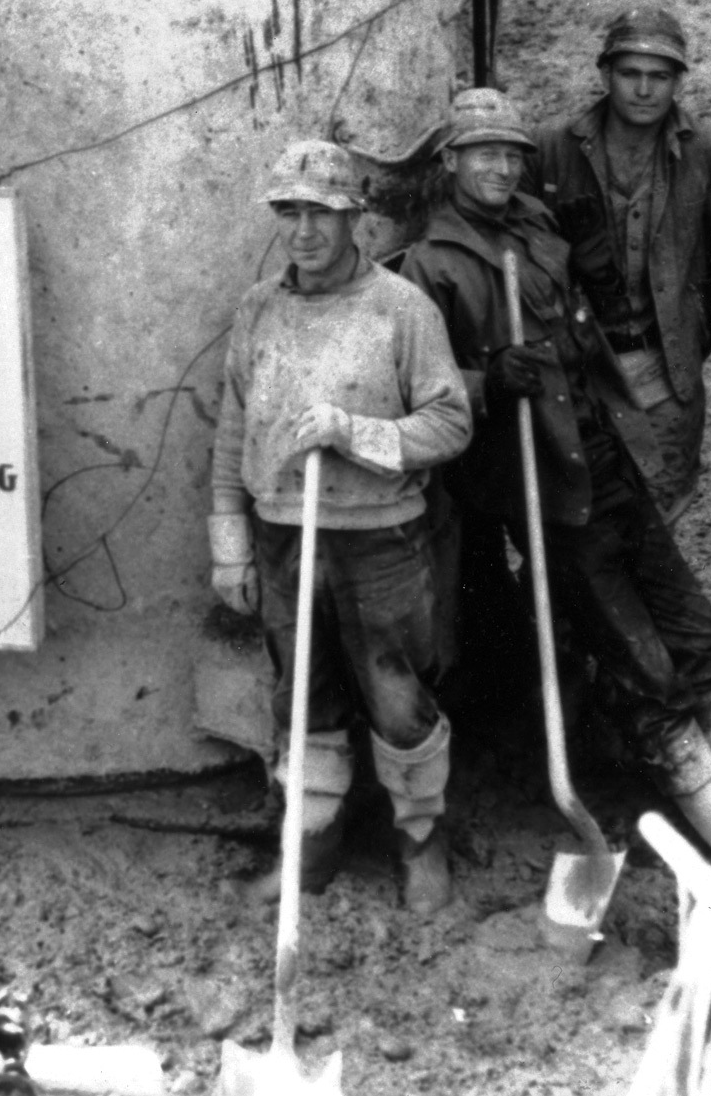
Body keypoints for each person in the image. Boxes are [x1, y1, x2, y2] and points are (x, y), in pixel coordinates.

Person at [401, 88, 711, 904]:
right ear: (450, 164)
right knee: (644, 663)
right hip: (540, 483)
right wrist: (481, 380)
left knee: (693, 623)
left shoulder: (535, 228)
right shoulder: (429, 263)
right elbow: (414, 390)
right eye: (482, 154)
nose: (501, 165)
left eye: (511, 152)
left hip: (605, 456)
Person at [209, 141, 471, 913]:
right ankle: (311, 849)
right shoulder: (259, 308)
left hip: (381, 537)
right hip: (285, 533)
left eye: (321, 213)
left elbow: (450, 422)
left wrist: (353, 431)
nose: (304, 231)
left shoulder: (400, 308)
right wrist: (230, 543)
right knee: (303, 696)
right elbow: (232, 430)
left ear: (354, 218)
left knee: (397, 698)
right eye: (290, 213)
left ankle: (423, 840)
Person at [532, 5, 711, 524]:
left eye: (659, 76)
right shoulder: (552, 146)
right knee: (577, 512)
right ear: (605, 75)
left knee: (660, 508)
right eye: (630, 74)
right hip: (579, 363)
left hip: (665, 362)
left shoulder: (706, 146)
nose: (644, 90)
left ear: (677, 82)